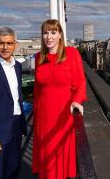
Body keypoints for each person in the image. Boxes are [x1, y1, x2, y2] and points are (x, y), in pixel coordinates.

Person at [32, 19, 87, 179]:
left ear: (60, 35)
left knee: (58, 159)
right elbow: (37, 88)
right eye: (45, 32)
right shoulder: (38, 58)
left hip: (62, 115)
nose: (49, 36)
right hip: (43, 117)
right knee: (47, 160)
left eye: (53, 32)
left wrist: (77, 101)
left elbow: (80, 83)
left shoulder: (71, 53)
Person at [0, 27, 27, 179]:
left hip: (16, 127)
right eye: (1, 43)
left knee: (13, 170)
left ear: (15, 44)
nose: (5, 47)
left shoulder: (17, 66)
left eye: (9, 43)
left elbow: (16, 97)